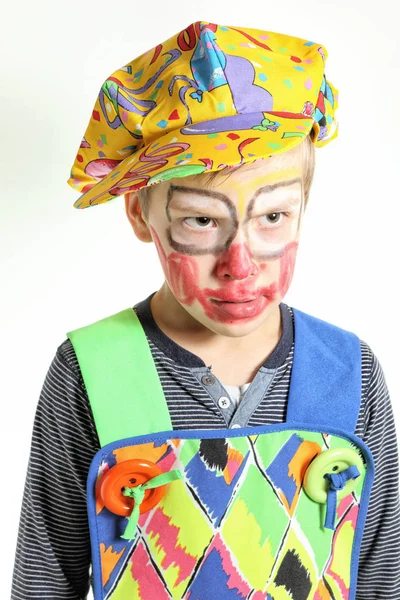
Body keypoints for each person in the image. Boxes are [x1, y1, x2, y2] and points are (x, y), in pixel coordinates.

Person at [10, 20, 400, 600]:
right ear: (142, 215)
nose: (239, 264)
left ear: (303, 206)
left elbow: (378, 579)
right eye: (201, 219)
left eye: (273, 217)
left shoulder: (349, 371)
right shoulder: (87, 371)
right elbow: (45, 581)